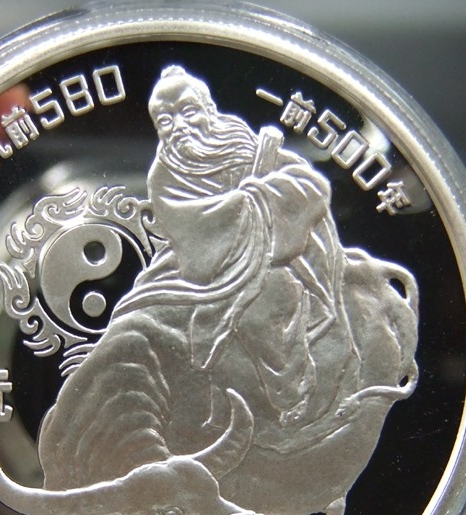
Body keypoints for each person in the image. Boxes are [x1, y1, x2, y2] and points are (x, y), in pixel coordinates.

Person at [113, 65, 349, 423]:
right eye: (165, 120)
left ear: (208, 109)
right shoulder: (164, 176)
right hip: (201, 264)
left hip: (270, 254)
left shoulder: (243, 142)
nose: (179, 126)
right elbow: (189, 227)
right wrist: (248, 202)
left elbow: (306, 183)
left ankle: (292, 397)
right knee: (140, 312)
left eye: (187, 111)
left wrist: (261, 197)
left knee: (268, 305)